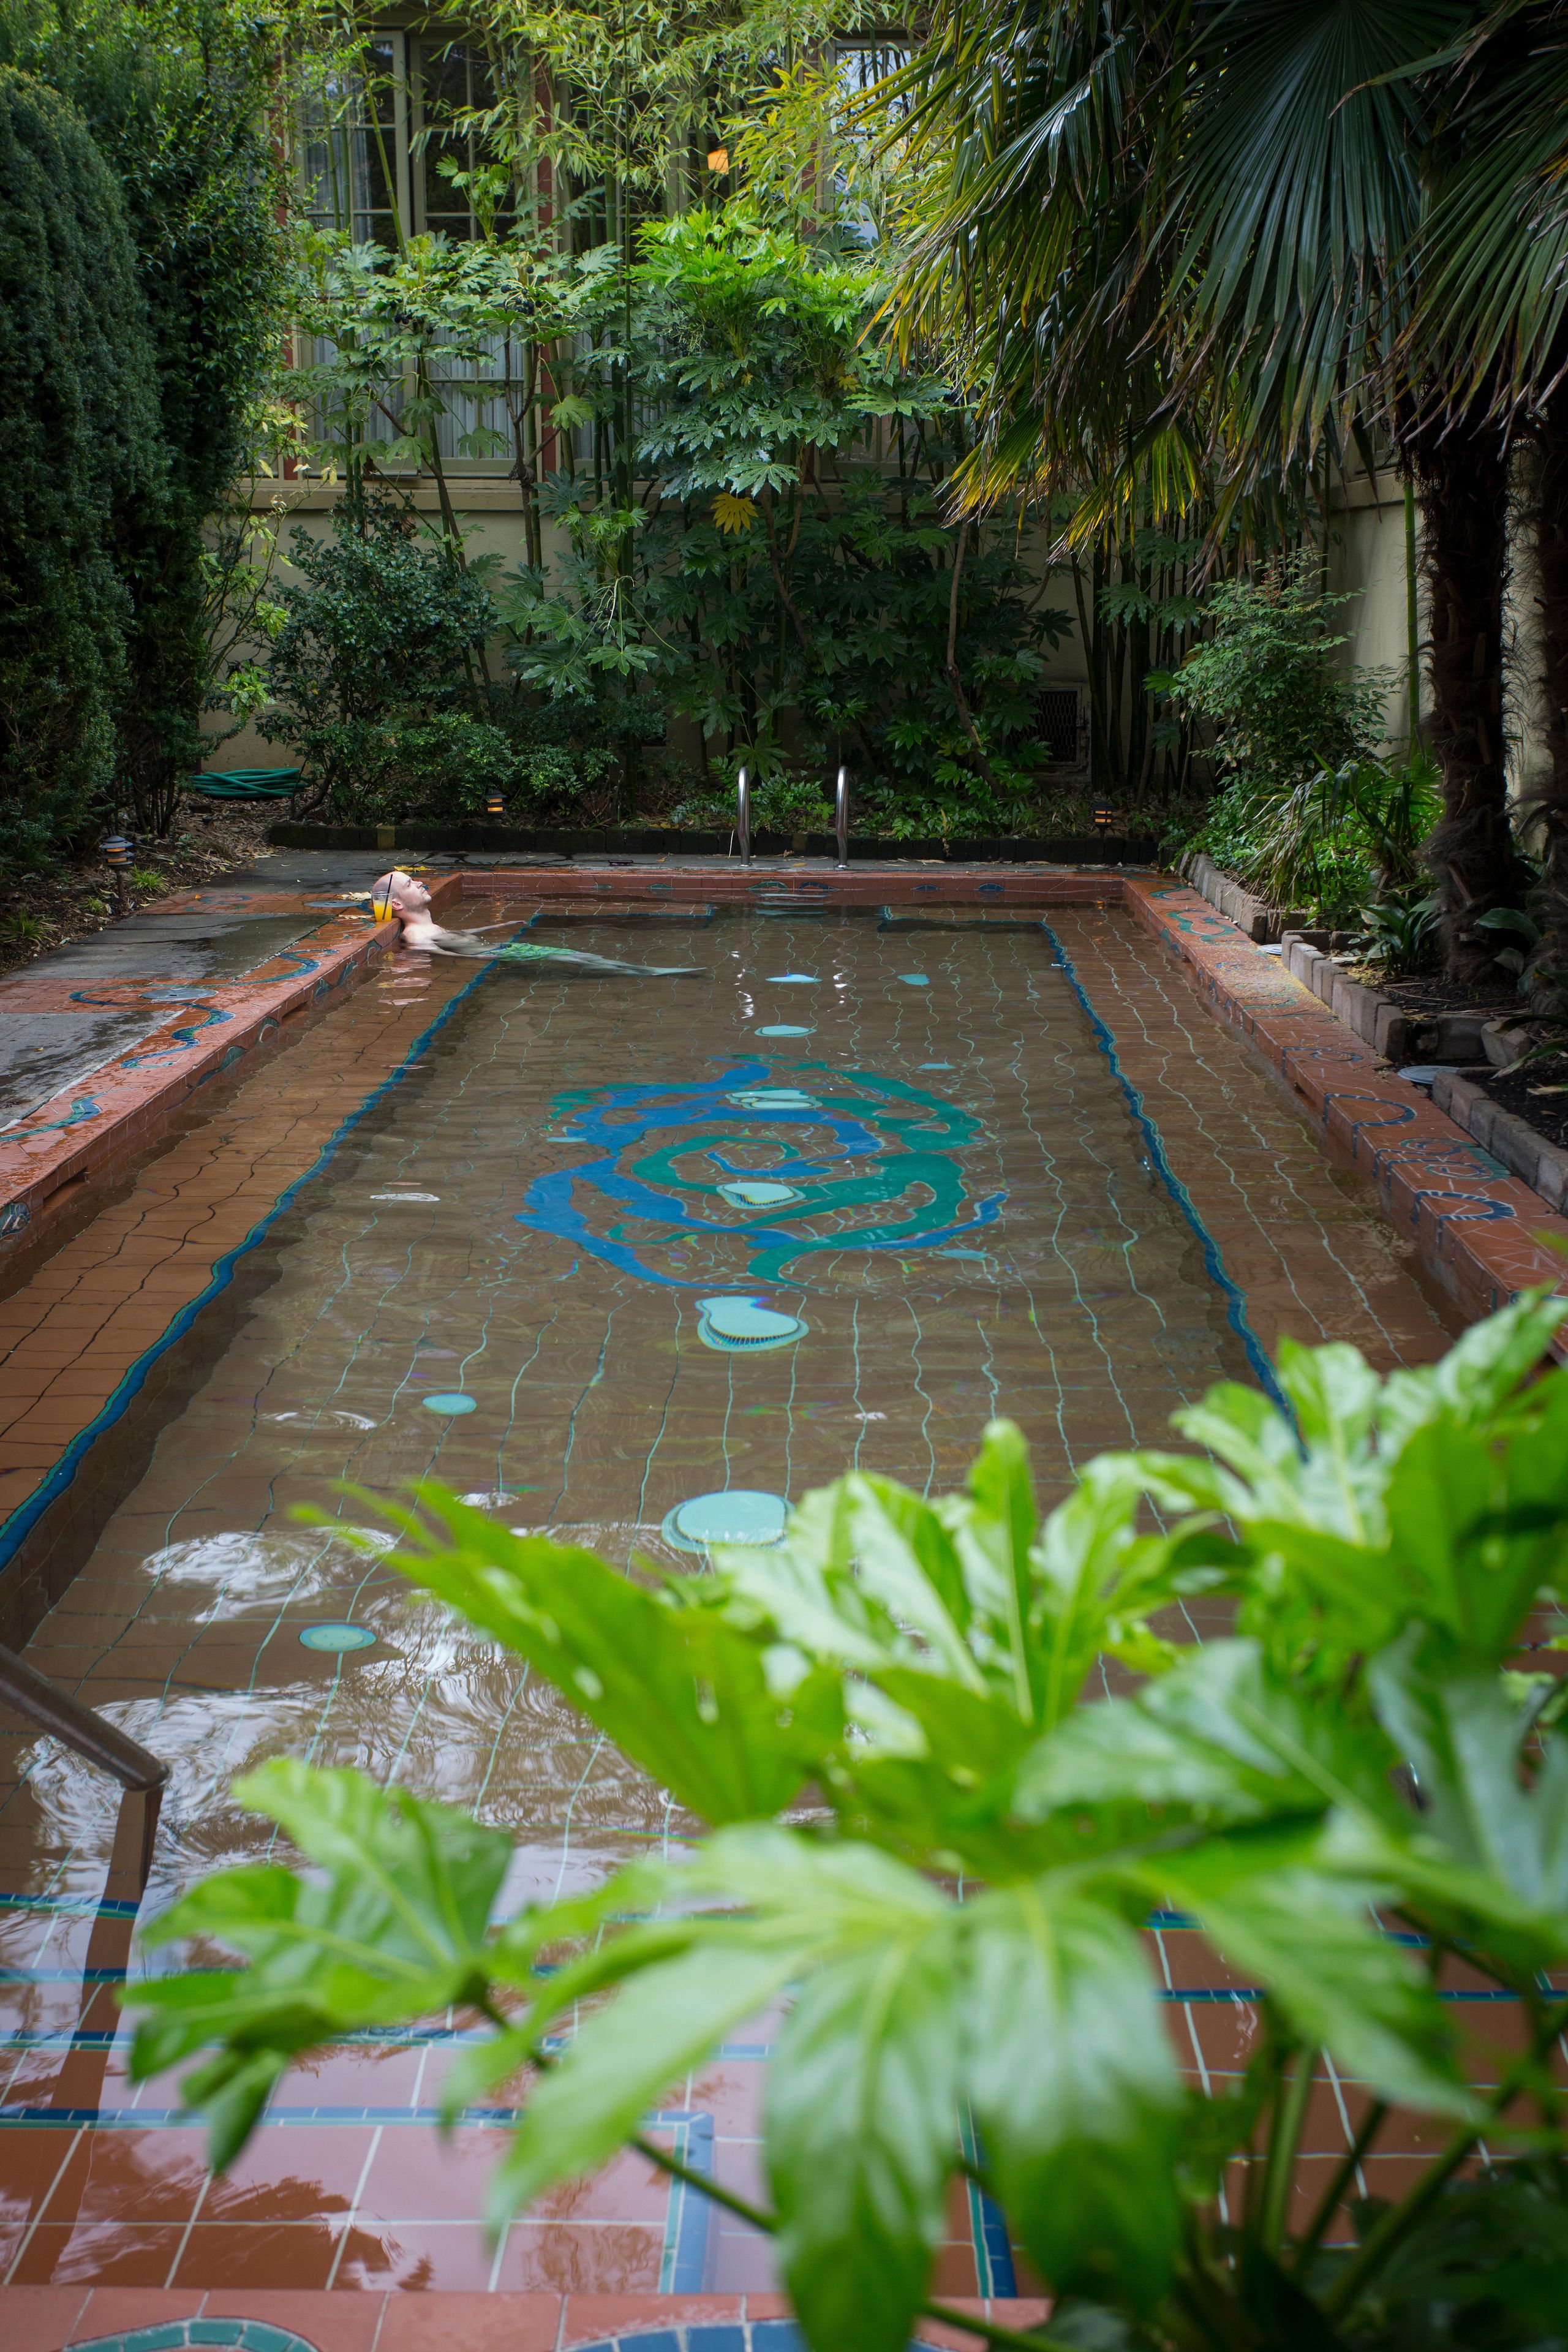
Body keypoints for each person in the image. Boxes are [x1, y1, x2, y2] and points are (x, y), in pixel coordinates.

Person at [368, 870, 699, 975]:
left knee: (580, 957)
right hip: (504, 954)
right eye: (411, 883)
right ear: (396, 903)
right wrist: (490, 956)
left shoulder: (428, 926)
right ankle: (651, 972)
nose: (421, 883)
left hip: (502, 949)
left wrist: (487, 929)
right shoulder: (416, 934)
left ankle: (642, 971)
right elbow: (434, 950)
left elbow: (452, 939)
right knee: (576, 958)